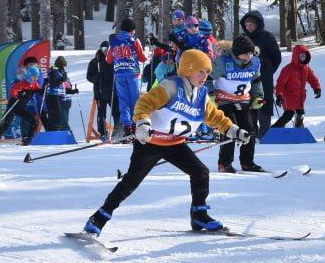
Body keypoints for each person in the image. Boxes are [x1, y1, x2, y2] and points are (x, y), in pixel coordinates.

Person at [81, 48, 252, 237]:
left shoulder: (201, 95)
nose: (205, 76)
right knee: (131, 181)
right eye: (200, 71)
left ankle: (199, 214)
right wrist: (143, 123)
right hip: (150, 141)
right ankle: (98, 219)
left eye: (207, 72)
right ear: (188, 69)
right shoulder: (171, 86)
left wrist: (234, 131)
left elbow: (216, 118)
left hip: (174, 144)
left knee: (200, 172)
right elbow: (145, 103)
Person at [211, 35, 265, 174]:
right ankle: (225, 163)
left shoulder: (255, 63)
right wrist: (210, 95)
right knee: (230, 129)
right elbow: (207, 77)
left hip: (244, 100)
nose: (249, 56)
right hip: (225, 101)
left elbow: (256, 81)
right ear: (237, 53)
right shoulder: (223, 62)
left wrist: (258, 97)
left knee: (250, 129)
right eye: (246, 53)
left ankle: (247, 162)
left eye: (251, 53)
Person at [240, 10, 282, 136]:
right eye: (247, 25)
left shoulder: (266, 36)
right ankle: (252, 132)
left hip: (264, 78)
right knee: (249, 104)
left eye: (251, 24)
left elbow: (276, 58)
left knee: (264, 104)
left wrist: (268, 71)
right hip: (246, 78)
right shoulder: (242, 38)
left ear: (258, 24)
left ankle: (264, 132)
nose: (249, 27)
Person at [0, 59, 44, 146]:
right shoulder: (22, 83)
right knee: (6, 123)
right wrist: (19, 95)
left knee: (34, 122)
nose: (35, 79)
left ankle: (27, 139)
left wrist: (42, 90)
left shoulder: (34, 84)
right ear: (29, 75)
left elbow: (38, 89)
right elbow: (14, 91)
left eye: (36, 77)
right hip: (13, 106)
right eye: (34, 77)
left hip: (20, 108)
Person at [106, 18, 145, 139]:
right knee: (135, 100)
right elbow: (142, 58)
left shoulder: (114, 41)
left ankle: (127, 127)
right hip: (132, 73)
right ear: (131, 30)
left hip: (119, 74)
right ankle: (135, 126)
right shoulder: (134, 40)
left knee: (123, 101)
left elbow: (109, 59)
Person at [273, 44, 321, 129]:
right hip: (289, 96)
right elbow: (280, 84)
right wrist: (279, 96)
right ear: (296, 56)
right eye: (301, 56)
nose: (303, 58)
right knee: (292, 114)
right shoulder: (288, 69)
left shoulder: (306, 69)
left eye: (305, 56)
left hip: (300, 97)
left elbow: (313, 79)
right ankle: (276, 129)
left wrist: (317, 89)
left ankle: (291, 130)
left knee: (294, 114)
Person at [86, 41, 116, 140]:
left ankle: (118, 130)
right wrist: (97, 78)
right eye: (103, 49)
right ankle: (103, 132)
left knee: (116, 112)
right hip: (100, 92)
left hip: (112, 91)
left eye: (107, 49)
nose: (106, 51)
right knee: (101, 113)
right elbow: (89, 76)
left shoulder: (114, 60)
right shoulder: (95, 61)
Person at [42, 55, 77, 132]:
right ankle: (67, 135)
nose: (63, 67)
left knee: (64, 119)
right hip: (56, 97)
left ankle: (64, 134)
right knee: (61, 119)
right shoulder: (55, 71)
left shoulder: (62, 72)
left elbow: (65, 87)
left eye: (64, 65)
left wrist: (72, 91)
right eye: (62, 65)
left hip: (64, 98)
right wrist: (61, 80)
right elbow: (54, 83)